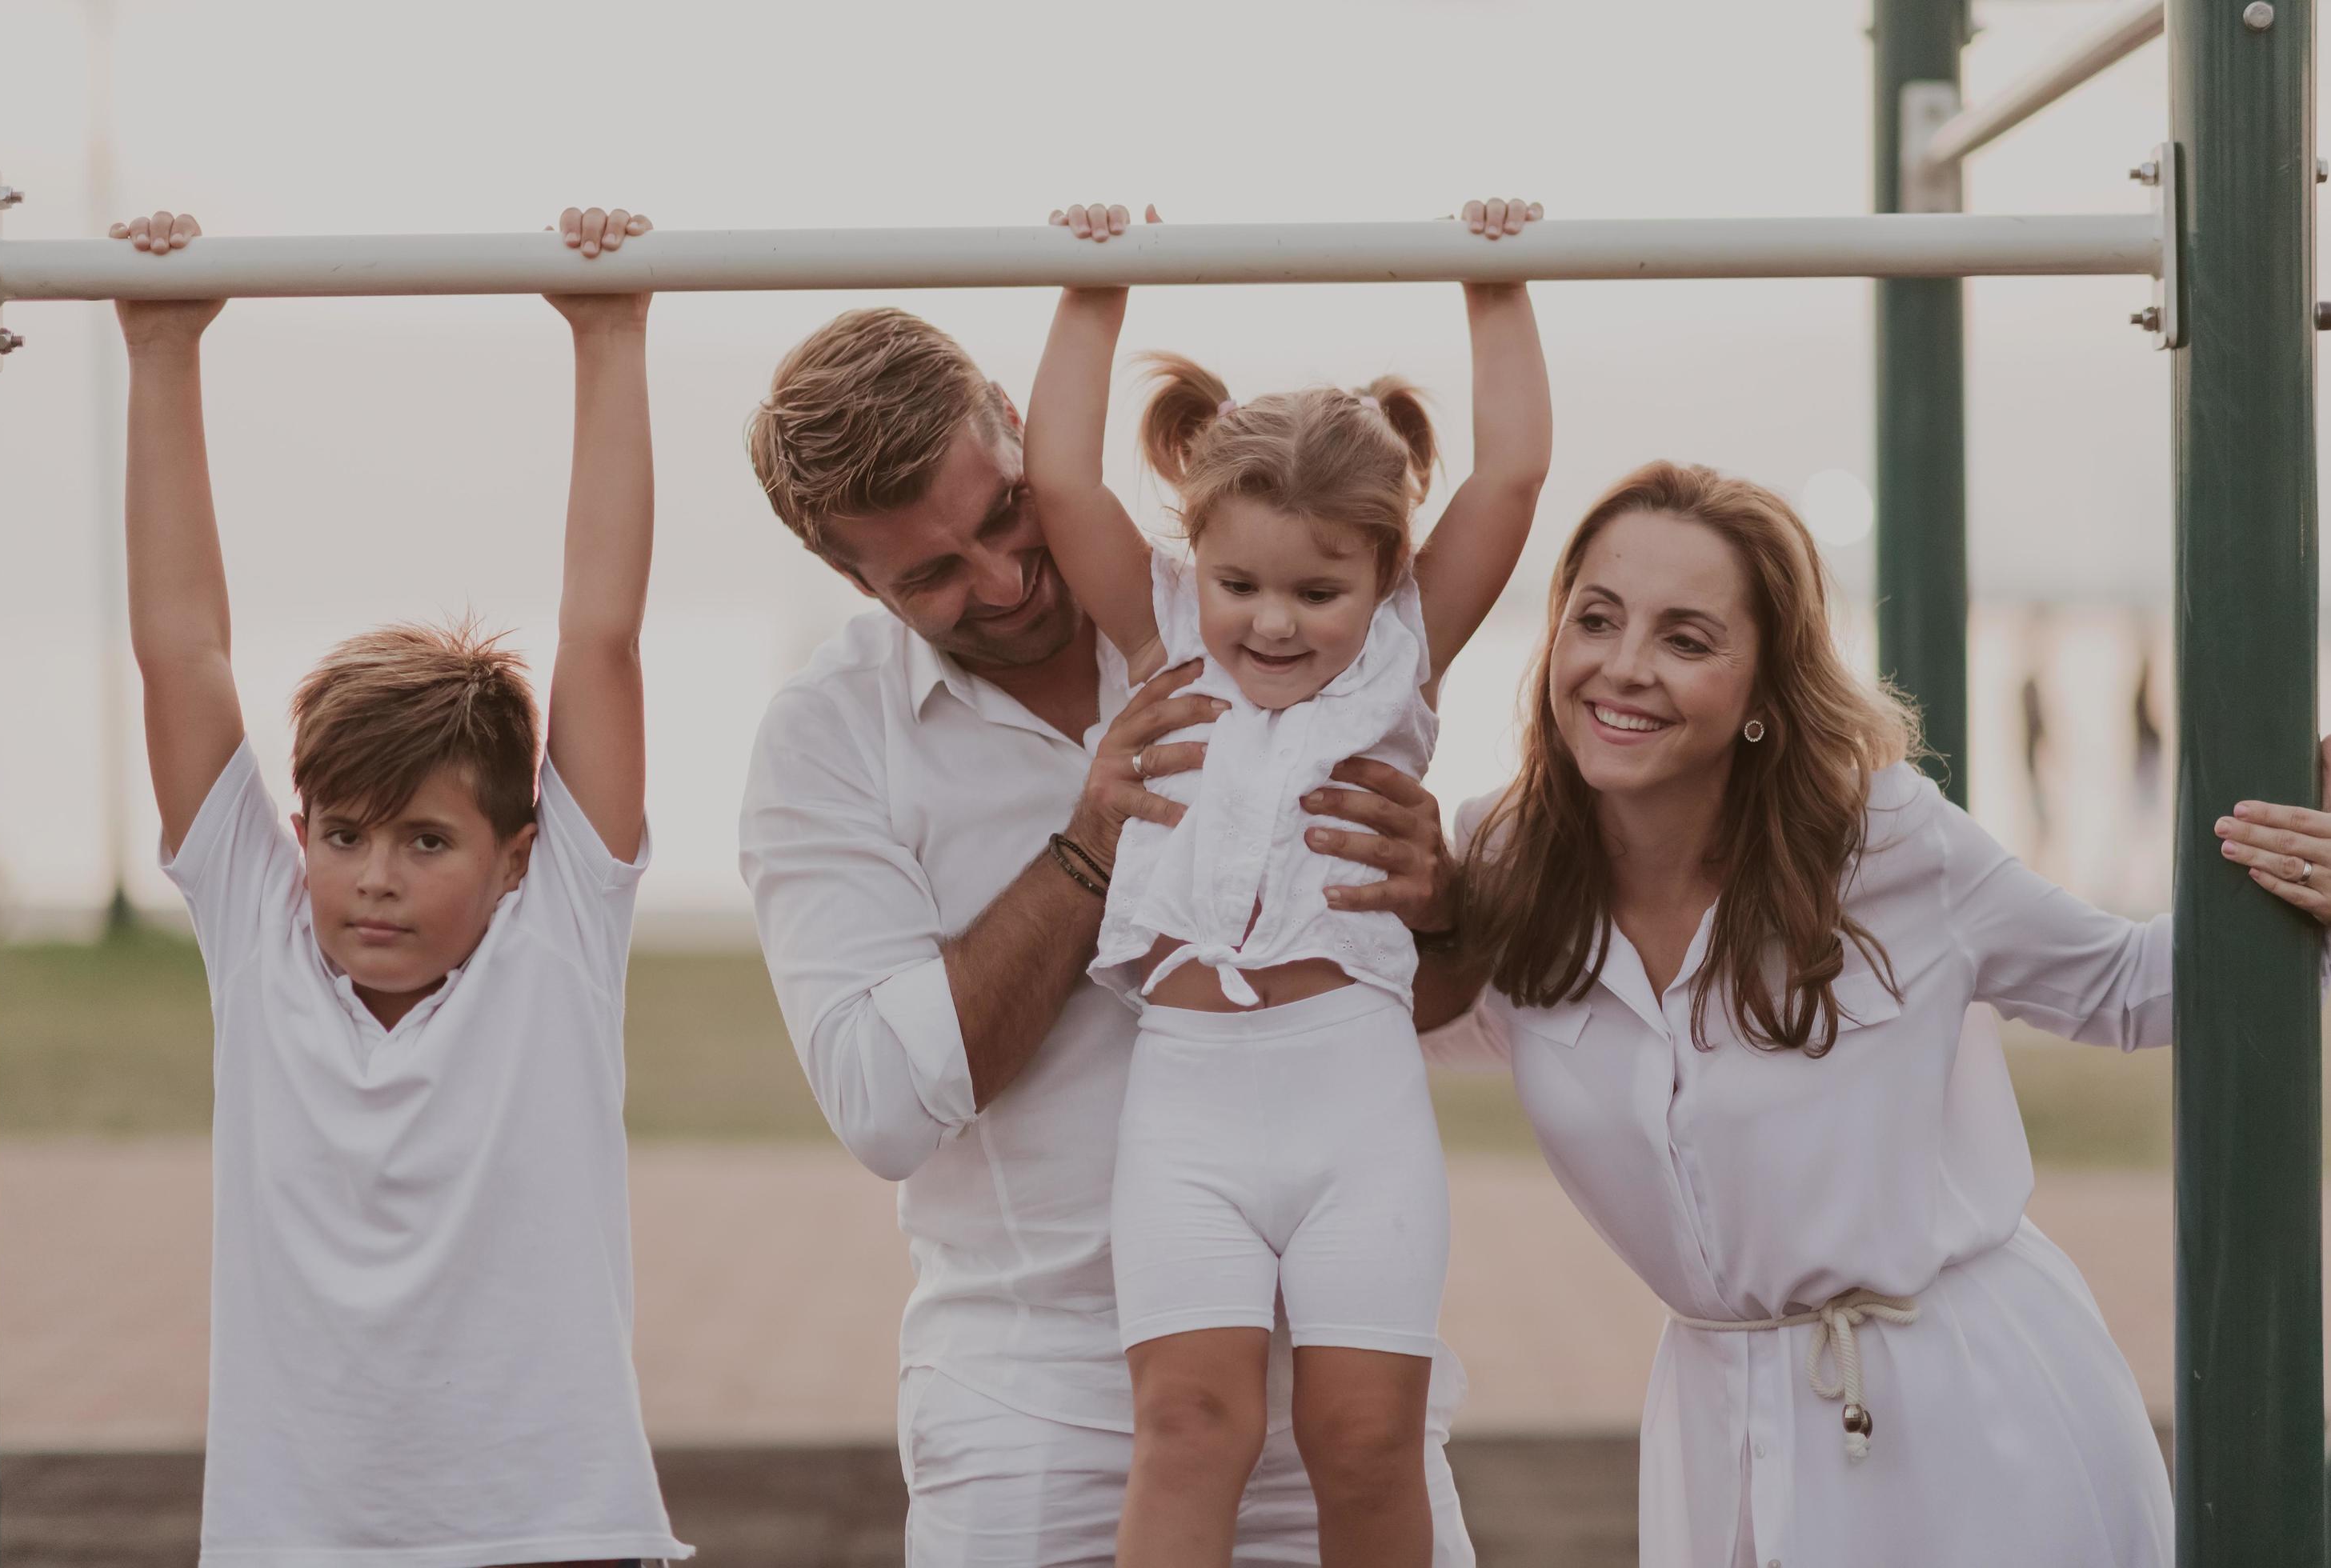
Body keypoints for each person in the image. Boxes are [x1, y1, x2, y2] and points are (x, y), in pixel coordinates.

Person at [739, 198, 1540, 1567]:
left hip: (1330, 1374)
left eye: (1005, 516)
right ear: (846, 574)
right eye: (933, 572)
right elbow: (879, 1103)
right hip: (1032, 1408)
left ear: (1012, 432)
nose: (1003, 581)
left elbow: (1441, 1009)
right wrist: (1092, 844)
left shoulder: (1257, 611)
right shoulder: (827, 739)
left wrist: (1444, 901)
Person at [1420, 458, 2331, 1568]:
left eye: (1687, 639)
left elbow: (2125, 990)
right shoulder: (1507, 861)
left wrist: (2308, 908)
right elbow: (1415, 1028)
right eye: (1596, 620)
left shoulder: (1890, 845)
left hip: (1971, 1414)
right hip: (1716, 1439)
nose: (1624, 667)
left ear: (1765, 692)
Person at [117, 206, 687, 1568]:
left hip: (556, 1534)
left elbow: (600, 631)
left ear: (517, 850)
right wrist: (162, 351)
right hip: (297, 1542)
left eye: (428, 844)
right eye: (347, 836)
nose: (374, 881)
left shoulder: (555, 940)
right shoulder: (259, 935)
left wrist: (610, 335)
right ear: (298, 830)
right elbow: (182, 651)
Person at [1021, 199, 1550, 1567]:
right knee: (1192, 1428)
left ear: (1382, 579)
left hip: (1352, 1101)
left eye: (1317, 590)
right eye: (1237, 580)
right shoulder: (1162, 649)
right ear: (1192, 561)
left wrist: (1492, 278)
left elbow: (1511, 478)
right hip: (1188, 1102)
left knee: (1367, 1443)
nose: (1270, 619)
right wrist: (1098, 283)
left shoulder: (1399, 668)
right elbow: (1061, 478)